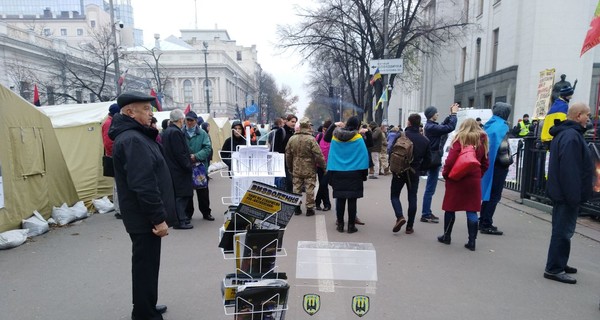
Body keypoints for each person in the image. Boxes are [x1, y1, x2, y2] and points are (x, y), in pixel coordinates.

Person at [108, 91, 175, 320]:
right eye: (145, 109)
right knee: (145, 266)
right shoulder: (132, 139)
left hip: (143, 216)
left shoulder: (137, 136)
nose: (151, 113)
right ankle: (144, 314)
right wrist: (158, 218)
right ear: (129, 112)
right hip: (144, 218)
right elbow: (143, 184)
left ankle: (147, 305)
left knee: (147, 266)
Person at [543, 102, 593, 284]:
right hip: (567, 194)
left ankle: (559, 263)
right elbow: (570, 170)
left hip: (563, 193)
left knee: (563, 229)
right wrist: (574, 197)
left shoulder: (567, 134)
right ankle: (554, 268)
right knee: (563, 231)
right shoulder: (572, 136)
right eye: (587, 114)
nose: (589, 117)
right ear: (578, 115)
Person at [437, 118, 489, 251]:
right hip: (473, 179)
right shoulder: (482, 141)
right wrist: (478, 174)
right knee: (471, 210)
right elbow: (485, 163)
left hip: (456, 178)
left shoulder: (460, 139)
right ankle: (472, 242)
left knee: (450, 207)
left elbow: (450, 160)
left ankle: (447, 236)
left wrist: (446, 174)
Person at [324, 116, 372, 233]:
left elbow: (326, 138)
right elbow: (368, 148)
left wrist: (334, 124)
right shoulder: (359, 138)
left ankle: (340, 224)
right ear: (357, 126)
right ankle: (351, 226)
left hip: (337, 171)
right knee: (352, 200)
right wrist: (368, 132)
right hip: (354, 172)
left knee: (340, 199)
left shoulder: (335, 137)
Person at [390, 114, 431, 234]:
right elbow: (428, 160)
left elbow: (391, 151)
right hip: (414, 172)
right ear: (419, 124)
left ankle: (399, 216)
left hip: (398, 170)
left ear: (408, 123)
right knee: (412, 197)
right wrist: (420, 169)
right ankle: (409, 227)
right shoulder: (425, 140)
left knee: (394, 195)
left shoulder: (401, 136)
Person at [421, 103, 459, 223]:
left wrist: (449, 115)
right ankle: (426, 213)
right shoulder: (431, 127)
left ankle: (426, 212)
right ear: (432, 115)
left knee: (430, 188)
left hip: (433, 158)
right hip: (434, 159)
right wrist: (453, 114)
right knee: (430, 188)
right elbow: (449, 128)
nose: (438, 114)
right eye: (436, 112)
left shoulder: (430, 126)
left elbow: (444, 125)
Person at [480, 102, 512, 235]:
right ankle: (486, 223)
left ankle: (482, 220)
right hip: (498, 166)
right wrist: (509, 161)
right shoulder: (502, 127)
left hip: (489, 164)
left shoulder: (490, 124)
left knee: (487, 193)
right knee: (494, 195)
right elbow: (503, 150)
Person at [285, 117, 326, 217]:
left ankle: (297, 208)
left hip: (296, 166)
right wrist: (323, 166)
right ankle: (309, 209)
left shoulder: (292, 138)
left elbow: (288, 154)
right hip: (309, 167)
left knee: (296, 187)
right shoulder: (311, 139)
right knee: (309, 188)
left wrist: (290, 167)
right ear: (308, 126)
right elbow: (318, 154)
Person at [161, 109, 194, 230]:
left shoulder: (167, 131)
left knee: (178, 196)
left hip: (172, 168)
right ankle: (181, 220)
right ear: (181, 119)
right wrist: (188, 165)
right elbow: (180, 153)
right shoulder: (175, 132)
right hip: (179, 170)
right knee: (181, 196)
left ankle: (180, 219)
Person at [183, 111, 215, 222]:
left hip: (200, 167)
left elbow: (207, 148)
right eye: (187, 120)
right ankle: (188, 214)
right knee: (187, 192)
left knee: (203, 192)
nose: (189, 122)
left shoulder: (202, 133)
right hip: (186, 167)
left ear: (196, 121)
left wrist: (196, 156)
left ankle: (206, 212)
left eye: (191, 120)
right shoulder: (181, 132)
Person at [102, 103, 122, 219]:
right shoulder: (109, 123)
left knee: (118, 184)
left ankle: (119, 209)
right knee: (118, 185)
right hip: (113, 157)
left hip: (113, 156)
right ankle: (119, 209)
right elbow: (108, 143)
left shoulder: (108, 122)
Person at [315, 120, 332, 211]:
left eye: (327, 129)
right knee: (323, 185)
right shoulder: (319, 136)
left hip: (329, 165)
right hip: (319, 164)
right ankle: (326, 204)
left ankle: (318, 202)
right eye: (324, 129)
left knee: (323, 184)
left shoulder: (333, 137)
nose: (325, 131)